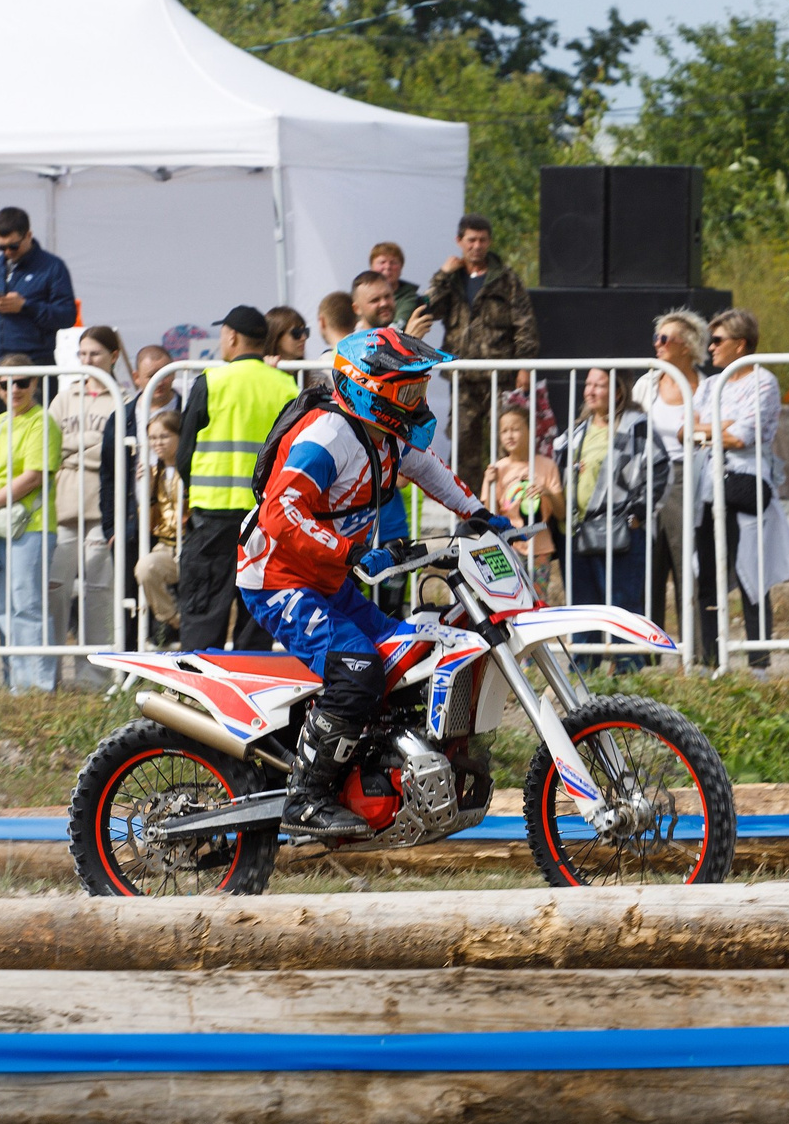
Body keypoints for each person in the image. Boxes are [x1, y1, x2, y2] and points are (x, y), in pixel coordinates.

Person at [237, 326, 492, 839]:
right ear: (368, 389)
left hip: (327, 583)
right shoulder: (327, 437)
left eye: (419, 390)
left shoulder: (385, 434)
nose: (417, 402)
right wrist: (350, 551)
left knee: (405, 659)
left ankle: (368, 772)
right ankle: (305, 799)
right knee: (357, 669)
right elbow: (280, 511)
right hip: (279, 581)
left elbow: (430, 469)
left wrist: (481, 513)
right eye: (408, 392)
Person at [175, 305, 294, 651]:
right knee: (255, 611)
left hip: (212, 516)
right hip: (265, 518)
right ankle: (247, 695)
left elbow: (185, 454)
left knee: (203, 608)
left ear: (231, 337)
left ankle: (193, 693)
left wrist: (196, 488)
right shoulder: (286, 386)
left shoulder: (211, 382)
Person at [688, 308, 789, 668]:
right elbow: (686, 430)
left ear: (740, 345)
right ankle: (710, 662)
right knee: (707, 575)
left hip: (745, 482)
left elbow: (742, 436)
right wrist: (721, 427)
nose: (710, 348)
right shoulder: (710, 384)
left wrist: (710, 429)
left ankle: (759, 663)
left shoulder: (763, 381)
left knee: (752, 575)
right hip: (707, 485)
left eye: (717, 341)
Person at [422, 215, 540, 488]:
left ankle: (505, 504)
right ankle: (467, 510)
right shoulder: (452, 280)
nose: (477, 246)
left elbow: (525, 325)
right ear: (459, 241)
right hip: (463, 377)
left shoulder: (506, 279)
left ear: (489, 242)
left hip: (502, 375)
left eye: (482, 240)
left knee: (508, 440)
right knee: (464, 444)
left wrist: (524, 366)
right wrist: (443, 275)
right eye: (471, 240)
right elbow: (429, 309)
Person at [0, 355, 67, 691]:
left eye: (22, 382)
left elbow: (33, 477)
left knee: (27, 603)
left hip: (33, 524)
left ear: (35, 385)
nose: (14, 389)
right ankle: (19, 684)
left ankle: (39, 685)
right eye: (5, 383)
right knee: (6, 607)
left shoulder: (43, 422)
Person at [553, 366, 652, 618]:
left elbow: (657, 471)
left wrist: (637, 515)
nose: (590, 391)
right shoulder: (576, 431)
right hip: (575, 534)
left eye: (599, 385)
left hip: (617, 533)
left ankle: (628, 658)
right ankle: (585, 659)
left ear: (618, 392)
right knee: (582, 612)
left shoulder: (634, 426)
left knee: (622, 609)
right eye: (588, 384)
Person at [50, 328, 126, 653]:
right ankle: (47, 670)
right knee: (54, 587)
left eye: (94, 354)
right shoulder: (66, 395)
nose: (87, 361)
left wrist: (74, 449)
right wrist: (92, 445)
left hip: (102, 505)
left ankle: (93, 674)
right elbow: (48, 444)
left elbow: (119, 451)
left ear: (113, 357)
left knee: (97, 590)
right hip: (62, 504)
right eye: (82, 354)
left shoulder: (123, 399)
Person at [636, 309, 706, 656]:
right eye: (656, 338)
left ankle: (693, 653)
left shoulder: (706, 388)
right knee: (648, 566)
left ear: (688, 346)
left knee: (685, 565)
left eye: (666, 338)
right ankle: (646, 654)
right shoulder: (645, 385)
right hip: (648, 476)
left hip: (685, 476)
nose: (658, 345)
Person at [0, 207, 76, 365]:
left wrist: (25, 306)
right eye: (1, 247)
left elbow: (67, 316)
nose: (8, 252)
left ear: (28, 236)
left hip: (35, 362)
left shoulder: (52, 267)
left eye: (13, 246)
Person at [485, 404, 564, 588]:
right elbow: (489, 516)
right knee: (509, 599)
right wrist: (490, 484)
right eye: (504, 431)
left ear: (530, 431)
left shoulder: (547, 465)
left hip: (540, 549)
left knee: (536, 601)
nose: (509, 435)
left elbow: (561, 513)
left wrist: (548, 493)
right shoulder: (496, 469)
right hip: (507, 548)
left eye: (516, 429)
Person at [132, 408, 185, 645]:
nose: (158, 443)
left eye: (164, 437)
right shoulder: (154, 472)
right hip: (166, 546)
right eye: (153, 438)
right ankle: (175, 621)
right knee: (145, 569)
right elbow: (147, 524)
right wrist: (148, 489)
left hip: (193, 543)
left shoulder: (193, 467)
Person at [368, 242, 424, 329]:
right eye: (382, 262)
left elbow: (396, 328)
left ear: (401, 268)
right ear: (371, 267)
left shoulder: (409, 298)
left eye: (393, 262)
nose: (388, 267)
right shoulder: (360, 296)